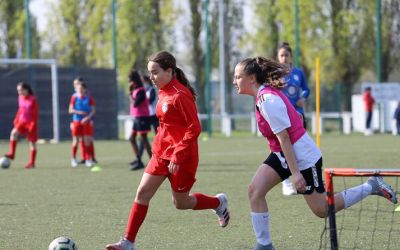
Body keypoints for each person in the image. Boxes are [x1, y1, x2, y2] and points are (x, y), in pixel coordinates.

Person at [232, 57, 397, 250]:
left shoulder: (267, 99)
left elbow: (285, 138)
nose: (234, 81)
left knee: (322, 209)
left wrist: (295, 174)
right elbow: (298, 118)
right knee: (255, 191)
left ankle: (371, 186)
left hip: (303, 157)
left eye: (237, 77)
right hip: (283, 154)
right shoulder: (264, 96)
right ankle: (264, 245)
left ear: (252, 78)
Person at [106, 51, 230, 250]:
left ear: (169, 71)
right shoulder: (162, 90)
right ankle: (128, 242)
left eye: (155, 73)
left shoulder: (181, 95)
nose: (151, 78)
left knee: (180, 203)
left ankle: (217, 203)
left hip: (182, 158)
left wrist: (178, 153)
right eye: (150, 73)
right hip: (160, 154)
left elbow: (194, 128)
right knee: (142, 193)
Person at [277, 42, 311, 196]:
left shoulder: (298, 72)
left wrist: (303, 97)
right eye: (281, 55)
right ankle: (286, 182)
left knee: (300, 147)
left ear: (291, 57)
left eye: (287, 55)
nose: (284, 58)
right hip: (282, 115)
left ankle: (304, 180)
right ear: (278, 57)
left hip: (298, 114)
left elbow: (306, 89)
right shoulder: (275, 74)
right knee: (283, 148)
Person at [3, 82, 39, 169]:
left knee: (32, 143)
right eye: (18, 90)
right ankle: (12, 154)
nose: (19, 92)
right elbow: (20, 110)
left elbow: (35, 113)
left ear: (26, 89)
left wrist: (33, 124)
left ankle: (32, 163)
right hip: (22, 121)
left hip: (31, 123)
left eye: (21, 90)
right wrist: (16, 118)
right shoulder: (20, 98)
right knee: (14, 133)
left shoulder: (33, 99)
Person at [128, 70, 152, 171]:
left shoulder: (141, 90)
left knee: (144, 140)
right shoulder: (136, 89)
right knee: (132, 138)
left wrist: (130, 94)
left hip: (143, 117)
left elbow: (135, 104)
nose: (129, 82)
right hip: (137, 117)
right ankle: (139, 161)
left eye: (129, 80)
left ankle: (153, 162)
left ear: (133, 80)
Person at [134, 75, 160, 169]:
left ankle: (161, 156)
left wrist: (141, 99)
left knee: (159, 136)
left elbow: (150, 100)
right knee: (142, 137)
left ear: (146, 81)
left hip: (153, 116)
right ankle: (139, 157)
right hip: (147, 116)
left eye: (143, 81)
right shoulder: (143, 91)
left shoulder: (151, 90)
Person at [69, 82, 96, 168]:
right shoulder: (74, 97)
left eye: (81, 88)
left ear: (85, 89)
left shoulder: (89, 98)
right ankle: (73, 159)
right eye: (78, 88)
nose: (80, 90)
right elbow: (70, 110)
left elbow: (93, 111)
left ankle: (88, 160)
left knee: (87, 140)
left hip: (86, 122)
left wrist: (87, 118)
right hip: (76, 121)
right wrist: (79, 112)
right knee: (76, 141)